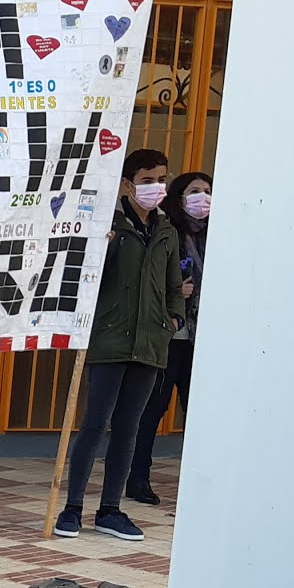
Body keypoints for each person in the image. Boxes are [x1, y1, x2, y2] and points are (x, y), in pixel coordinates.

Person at [54, 148, 185, 543]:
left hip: (150, 342)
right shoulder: (107, 225)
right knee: (94, 425)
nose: (156, 187)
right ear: (128, 184)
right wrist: (102, 247)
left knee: (129, 428)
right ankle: (72, 508)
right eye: (147, 181)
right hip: (109, 338)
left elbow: (173, 286)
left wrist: (172, 320)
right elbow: (82, 276)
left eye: (161, 179)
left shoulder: (167, 230)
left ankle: (110, 509)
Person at [125, 171, 210, 505]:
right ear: (179, 197)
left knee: (199, 412)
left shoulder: (217, 234)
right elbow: (150, 279)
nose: (202, 198)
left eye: (207, 191)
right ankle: (137, 478)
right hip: (170, 336)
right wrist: (176, 292)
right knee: (153, 410)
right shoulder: (167, 232)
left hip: (203, 339)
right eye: (195, 191)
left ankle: (198, 483)